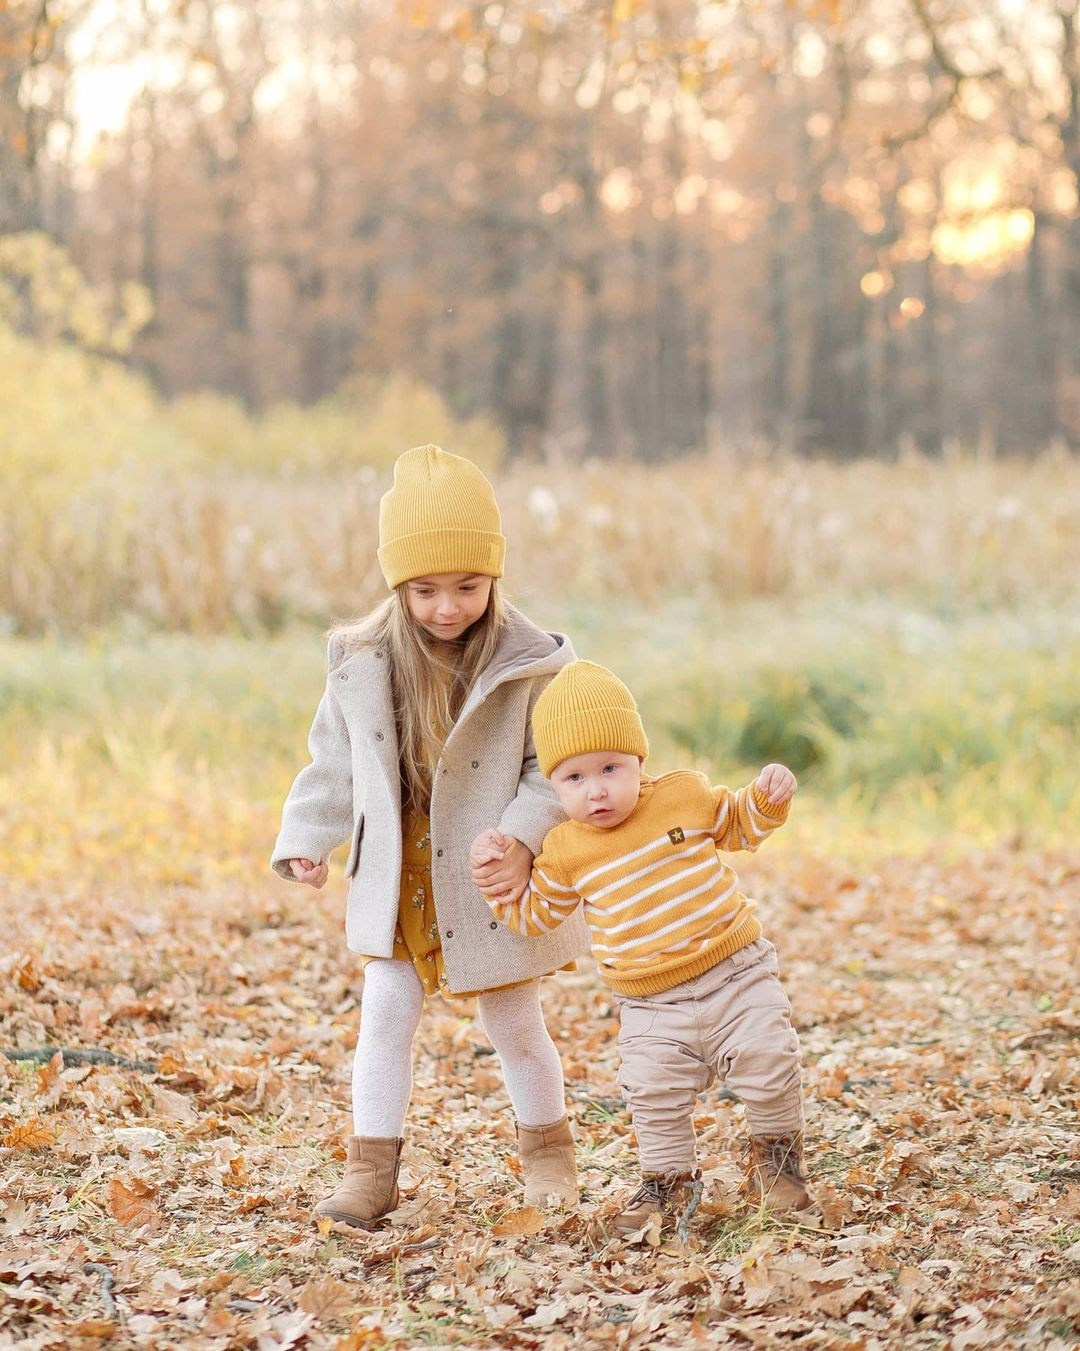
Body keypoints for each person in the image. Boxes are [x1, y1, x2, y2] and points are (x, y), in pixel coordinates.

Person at [272, 444, 588, 1229]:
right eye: (425, 589)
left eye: (467, 586)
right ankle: (370, 1169)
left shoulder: (531, 665)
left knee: (513, 1021)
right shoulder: (363, 660)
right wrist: (308, 834)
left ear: (495, 577)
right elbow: (335, 759)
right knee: (385, 1012)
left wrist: (521, 836)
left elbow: (553, 767)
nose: (447, 606)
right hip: (401, 871)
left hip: (489, 874)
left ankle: (549, 1153)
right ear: (398, 585)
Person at [470, 660, 810, 1236]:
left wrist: (766, 798)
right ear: (554, 785)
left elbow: (739, 826)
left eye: (610, 768)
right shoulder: (564, 850)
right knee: (653, 1093)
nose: (596, 789)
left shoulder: (683, 795)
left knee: (768, 1062)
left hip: (734, 973)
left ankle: (779, 1168)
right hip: (650, 1003)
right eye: (574, 778)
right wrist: (495, 884)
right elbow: (535, 916)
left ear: (638, 761)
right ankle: (668, 1186)